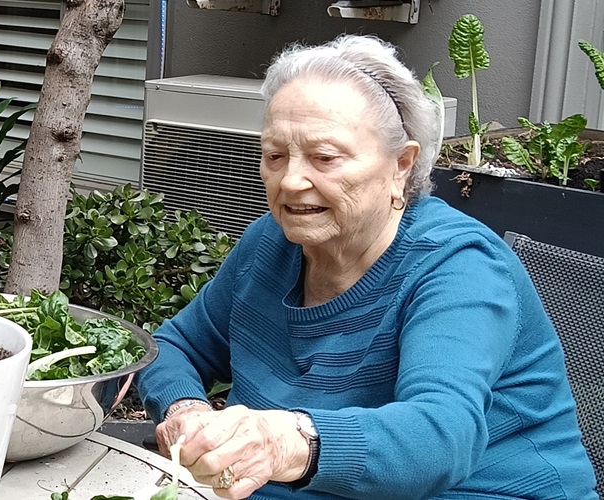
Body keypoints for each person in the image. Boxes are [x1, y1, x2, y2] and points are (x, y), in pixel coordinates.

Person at [137, 34, 598, 499]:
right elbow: (174, 345)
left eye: (325, 158)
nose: (291, 180)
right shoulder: (270, 244)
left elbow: (439, 436)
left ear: (401, 164)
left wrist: (284, 444)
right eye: (275, 155)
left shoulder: (458, 267)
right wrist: (185, 410)